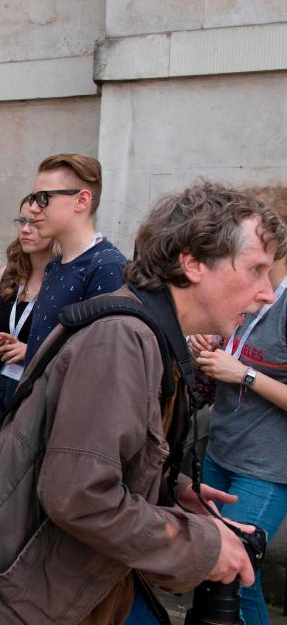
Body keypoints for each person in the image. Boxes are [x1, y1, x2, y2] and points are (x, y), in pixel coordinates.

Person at [0, 180, 287, 625]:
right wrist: (205, 546)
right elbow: (78, 495)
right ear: (193, 262)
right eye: (256, 270)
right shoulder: (123, 338)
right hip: (21, 595)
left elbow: (89, 450)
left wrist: (173, 486)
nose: (267, 293)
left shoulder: (148, 328)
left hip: (57, 584)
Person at [192, 186, 287, 625]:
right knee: (210, 572)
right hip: (220, 452)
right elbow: (234, 348)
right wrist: (209, 339)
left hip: (265, 469)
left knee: (237, 575)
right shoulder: (247, 286)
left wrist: (243, 374)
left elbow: (243, 368)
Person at [23, 153, 127, 364]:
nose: (33, 208)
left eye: (44, 197)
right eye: (34, 198)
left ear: (81, 200)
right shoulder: (54, 266)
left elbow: (104, 362)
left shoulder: (106, 266)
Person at [0, 198, 58, 438]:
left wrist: (29, 351)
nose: (25, 229)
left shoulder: (64, 282)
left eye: (34, 222)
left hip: (37, 393)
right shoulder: (7, 275)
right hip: (1, 387)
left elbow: (76, 349)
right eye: (22, 221)